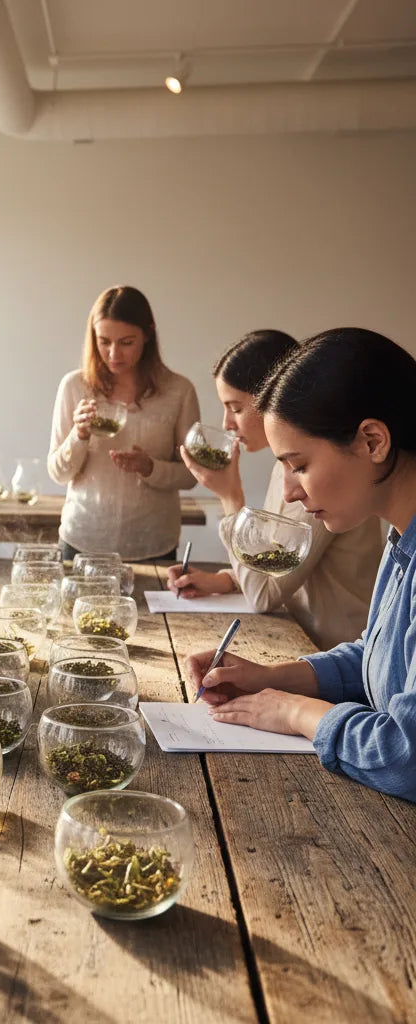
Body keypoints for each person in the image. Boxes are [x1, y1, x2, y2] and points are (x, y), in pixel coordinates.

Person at [189, 329, 416, 802]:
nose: (290, 492)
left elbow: (405, 758)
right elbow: (378, 659)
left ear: (373, 441)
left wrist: (295, 713)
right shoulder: (401, 539)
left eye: (300, 465)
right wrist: (271, 678)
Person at [168, 330, 382, 649]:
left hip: (333, 651)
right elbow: (277, 560)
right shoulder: (285, 470)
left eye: (235, 407)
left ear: (273, 398)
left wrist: (230, 498)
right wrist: (225, 580)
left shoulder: (315, 478)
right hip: (303, 639)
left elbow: (264, 596)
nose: (226, 423)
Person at [47, 285, 200, 561]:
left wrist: (150, 467)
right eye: (104, 341)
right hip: (82, 539)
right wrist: (79, 435)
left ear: (148, 334)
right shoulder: (74, 386)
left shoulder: (179, 391)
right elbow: (58, 474)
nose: (114, 354)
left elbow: (191, 476)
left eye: (126, 342)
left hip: (153, 543)